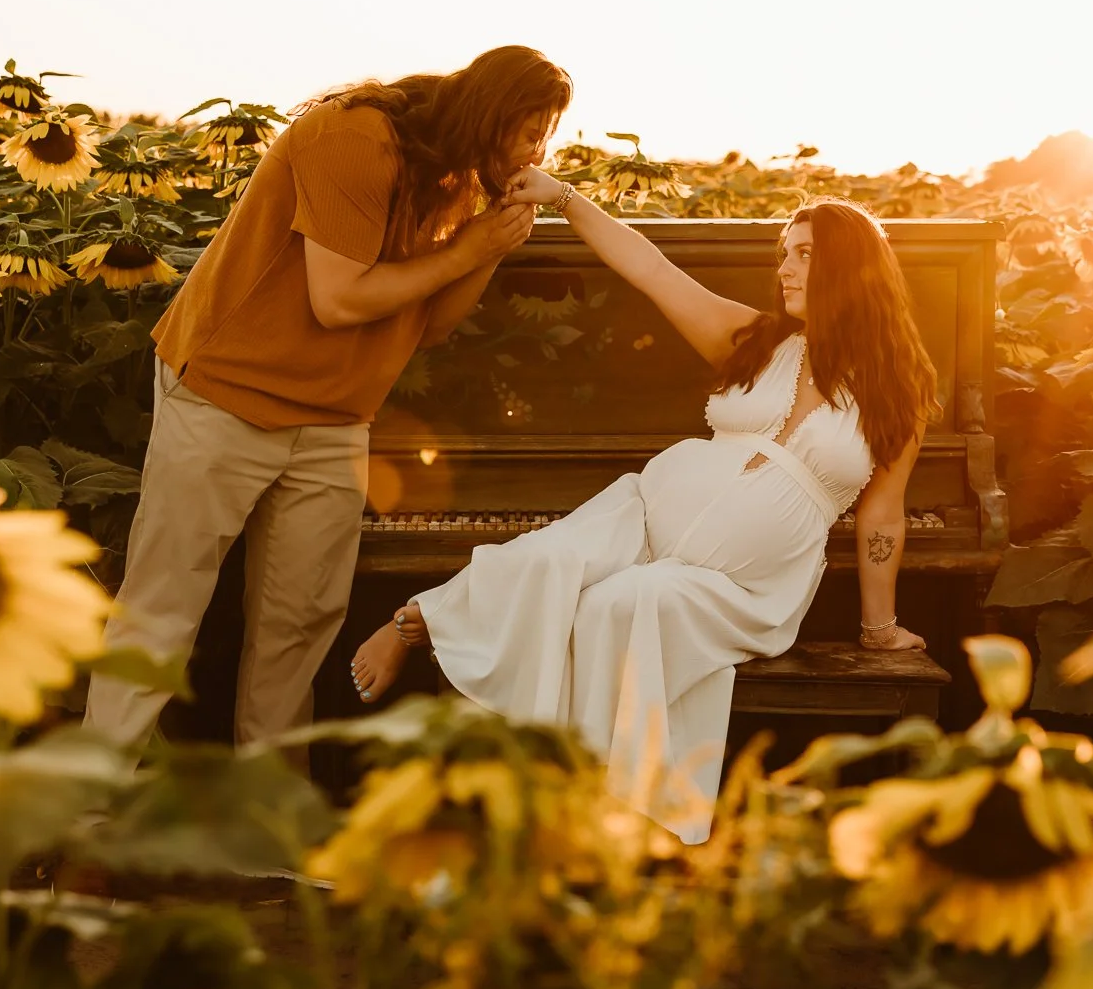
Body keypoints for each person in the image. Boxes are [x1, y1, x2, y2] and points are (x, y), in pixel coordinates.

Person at [349, 178, 937, 842]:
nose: (784, 267)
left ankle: (591, 820)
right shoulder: (757, 339)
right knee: (551, 558)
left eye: (802, 253)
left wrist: (878, 626)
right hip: (647, 507)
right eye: (785, 252)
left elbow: (881, 513)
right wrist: (562, 196)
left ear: (848, 265)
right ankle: (414, 621)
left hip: (743, 587)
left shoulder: (897, 387)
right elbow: (650, 268)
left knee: (624, 603)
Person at [85, 46, 572, 752]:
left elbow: (429, 324)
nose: (539, 150)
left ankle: (269, 828)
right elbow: (338, 299)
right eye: (530, 132)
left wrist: (490, 242)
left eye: (545, 136)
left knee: (299, 627)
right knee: (162, 610)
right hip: (227, 392)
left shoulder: (459, 179)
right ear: (489, 115)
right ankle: (90, 820)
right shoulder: (354, 136)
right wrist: (466, 252)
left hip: (337, 417)